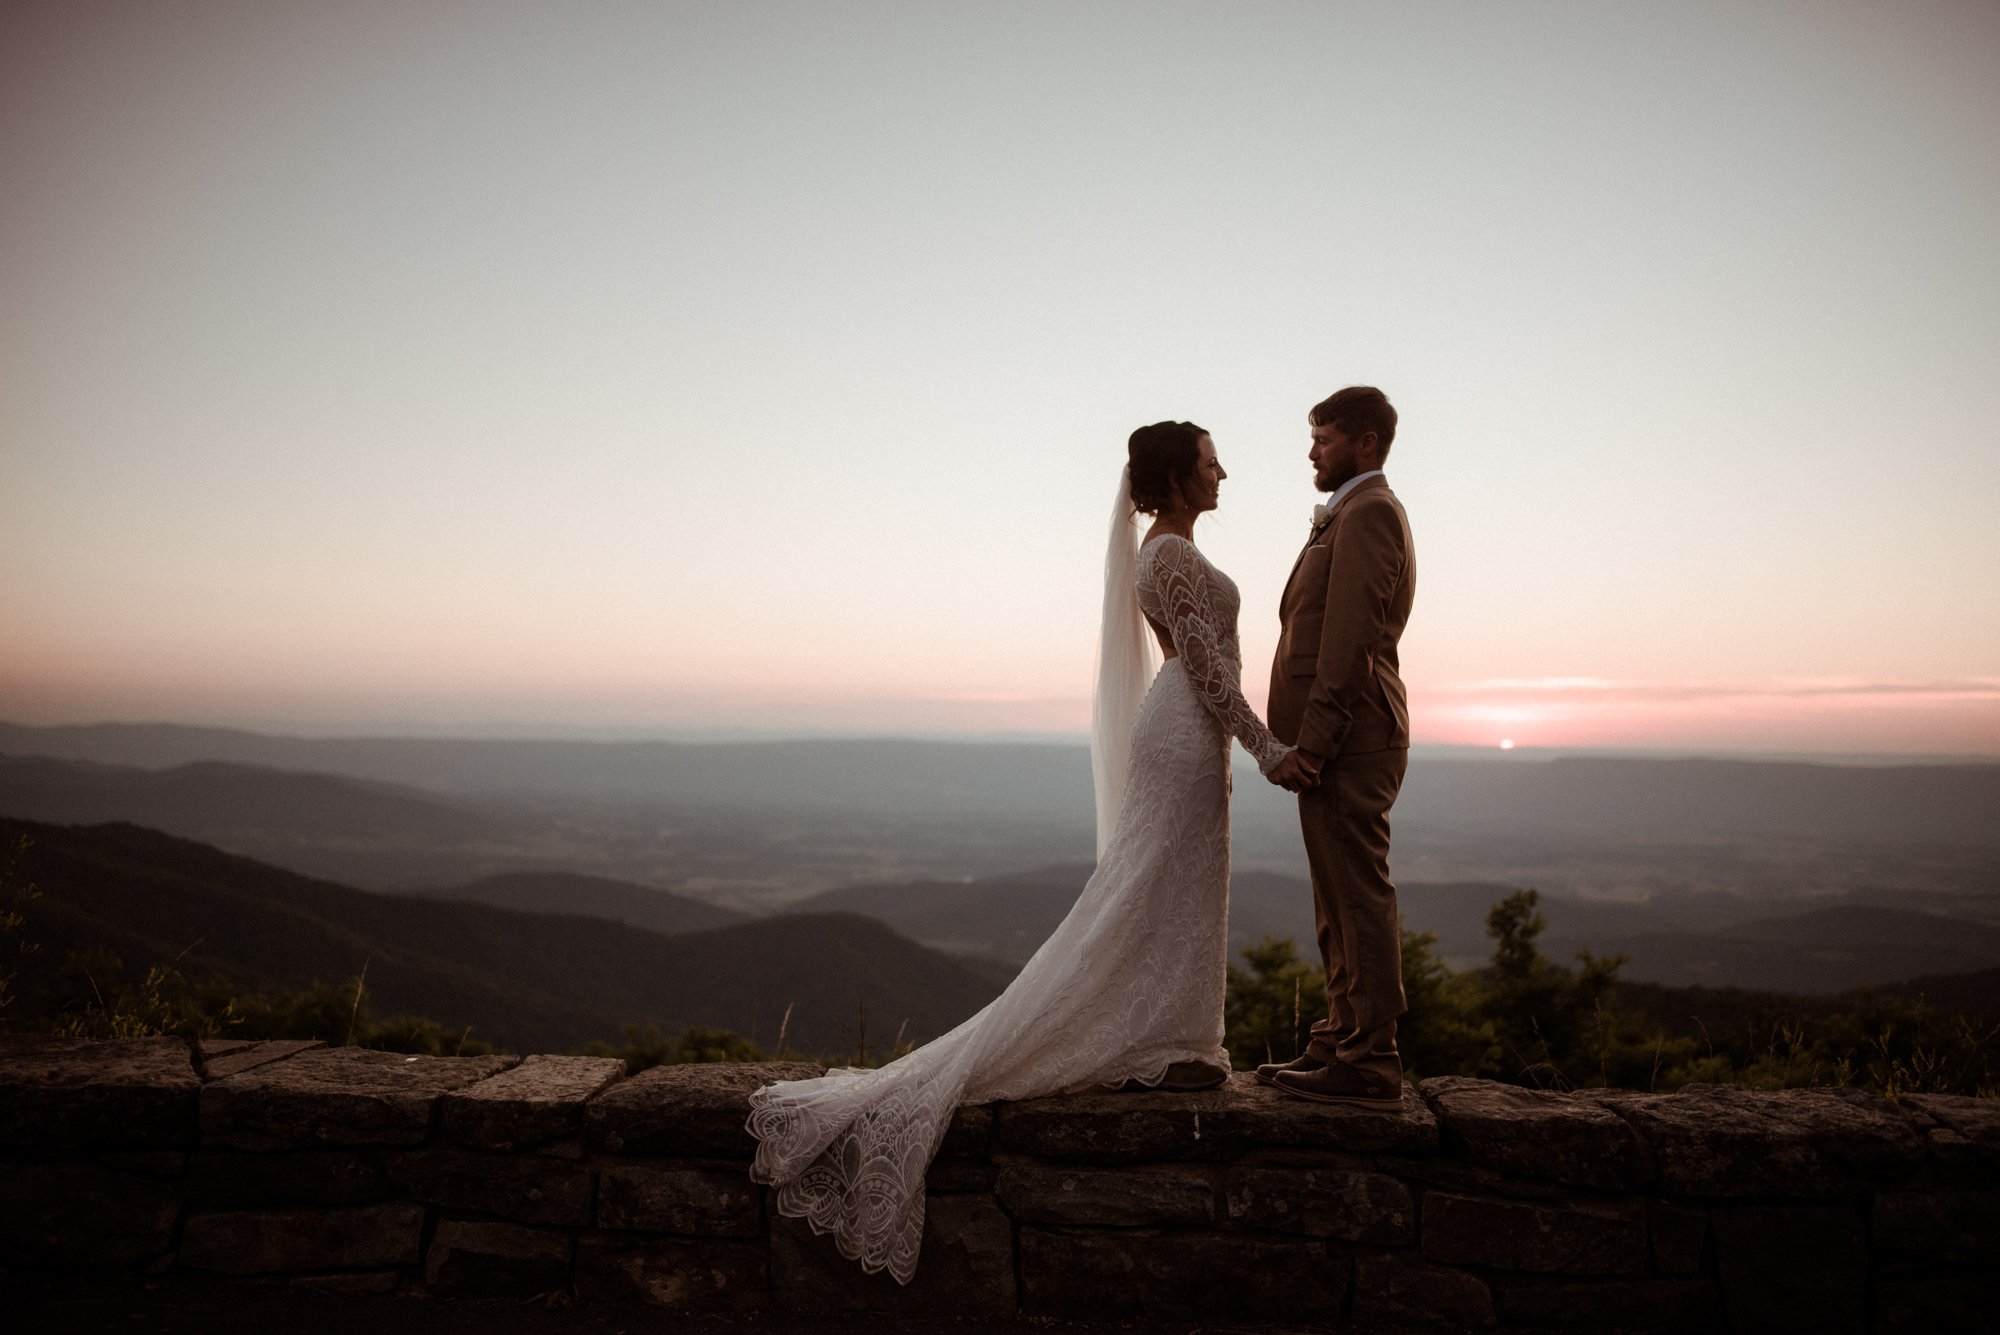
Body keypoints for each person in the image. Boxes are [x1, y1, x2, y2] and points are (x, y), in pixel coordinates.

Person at [745, 421, 1305, 1283]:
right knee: (1146, 884)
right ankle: (1157, 1036)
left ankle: (1181, 1035)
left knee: (1168, 884)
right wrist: (1268, 747)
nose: (1223, 469)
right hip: (1188, 734)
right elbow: (1206, 670)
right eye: (1209, 459)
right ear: (1177, 476)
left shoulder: (1166, 549)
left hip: (1190, 740)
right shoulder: (1171, 558)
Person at [1258, 386, 1417, 1111]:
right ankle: (1342, 1031)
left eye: (1323, 438)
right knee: (1333, 893)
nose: (1312, 451)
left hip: (1352, 737)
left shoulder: (1371, 511)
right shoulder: (1347, 512)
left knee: (1357, 890)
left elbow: (1349, 639)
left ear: (1366, 441)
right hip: (1337, 738)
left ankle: (1371, 1056)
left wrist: (1314, 743)